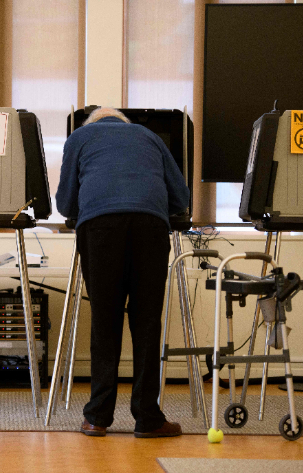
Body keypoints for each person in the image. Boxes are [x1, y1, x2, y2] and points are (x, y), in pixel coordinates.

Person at [56, 107, 189, 438]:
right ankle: (149, 418)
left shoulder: (80, 137)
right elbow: (181, 197)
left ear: (92, 124)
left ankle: (97, 418)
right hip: (150, 227)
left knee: (106, 319)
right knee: (146, 321)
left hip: (101, 228)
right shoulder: (149, 137)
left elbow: (65, 202)